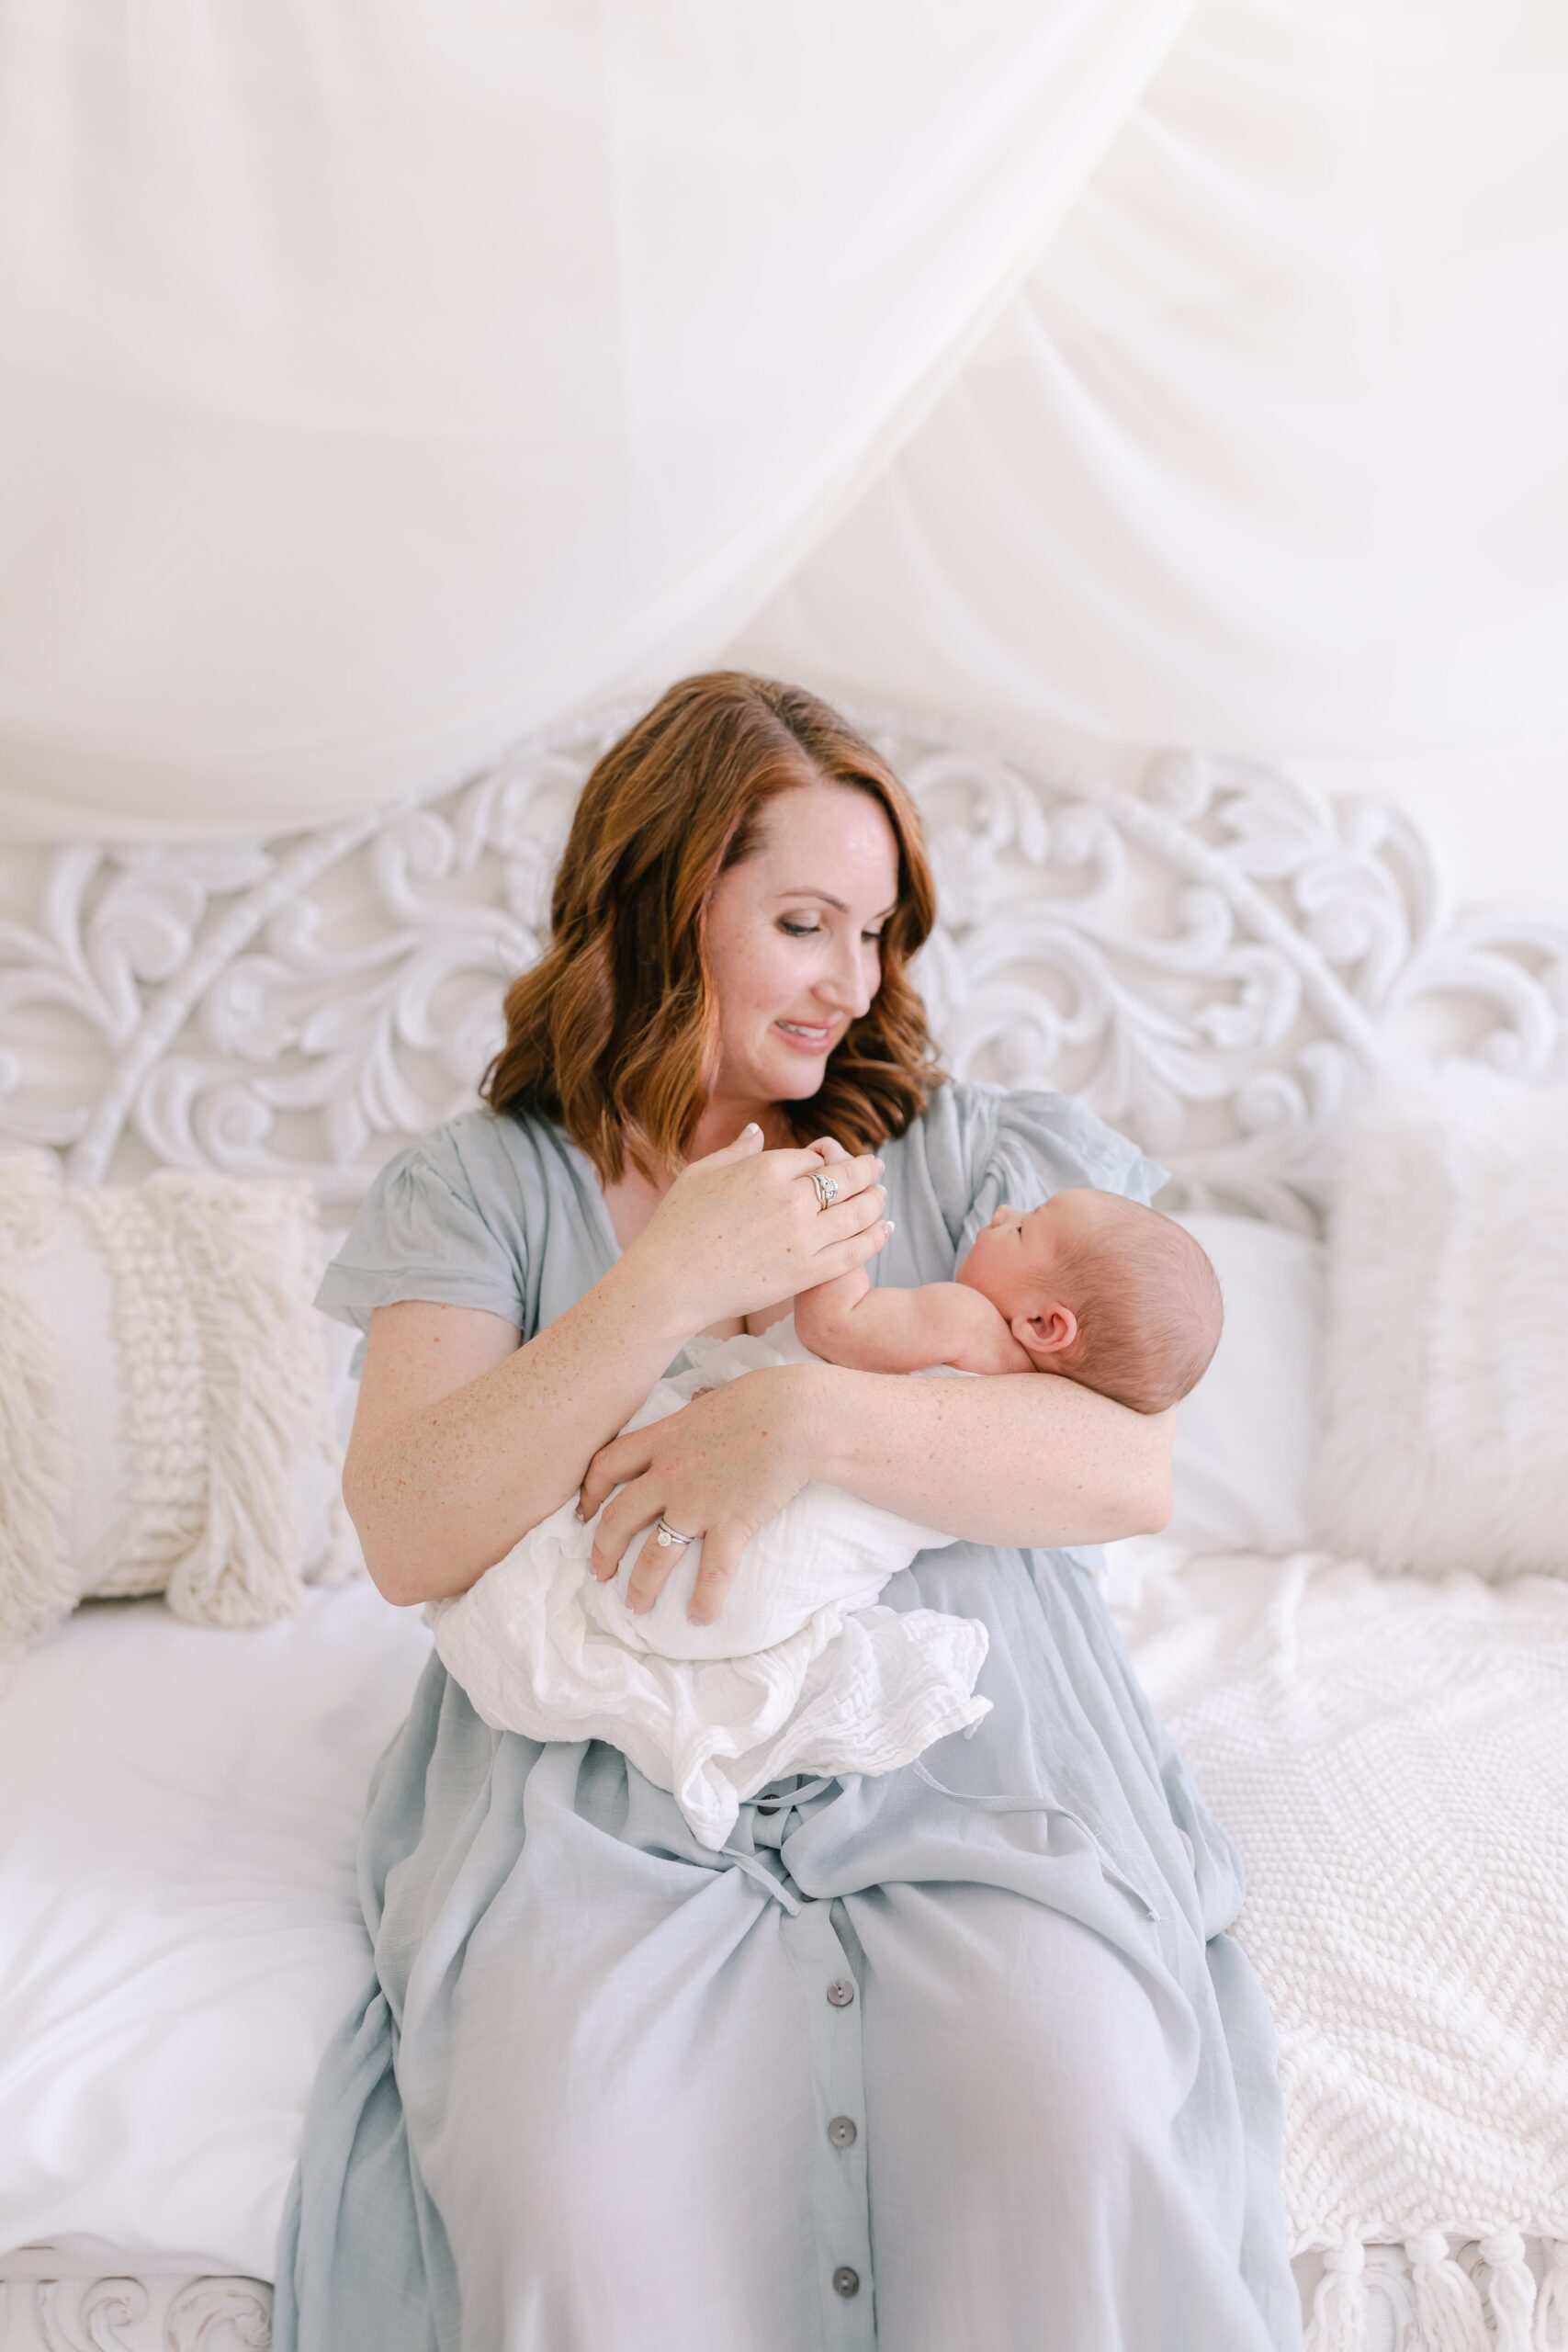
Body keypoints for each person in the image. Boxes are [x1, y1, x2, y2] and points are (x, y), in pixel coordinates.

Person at [271, 671, 1303, 2351]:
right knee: (568, 2181)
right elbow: (407, 1532)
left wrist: (802, 1418)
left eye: (878, 933)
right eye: (806, 921)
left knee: (1068, 2100)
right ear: (666, 905)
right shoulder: (482, 1189)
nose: (854, 982)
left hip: (971, 1762)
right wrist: (666, 1286)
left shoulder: (968, 1159)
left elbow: (1130, 1469)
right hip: (606, 1793)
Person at [421, 1175, 1225, 1852]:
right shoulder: (1035, 1405)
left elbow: (834, 1327)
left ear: (1046, 1323)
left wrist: (843, 1239)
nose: (998, 1216)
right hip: (760, 1612)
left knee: (646, 1458)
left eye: (1022, 1229)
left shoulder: (964, 1320)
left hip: (739, 1547)